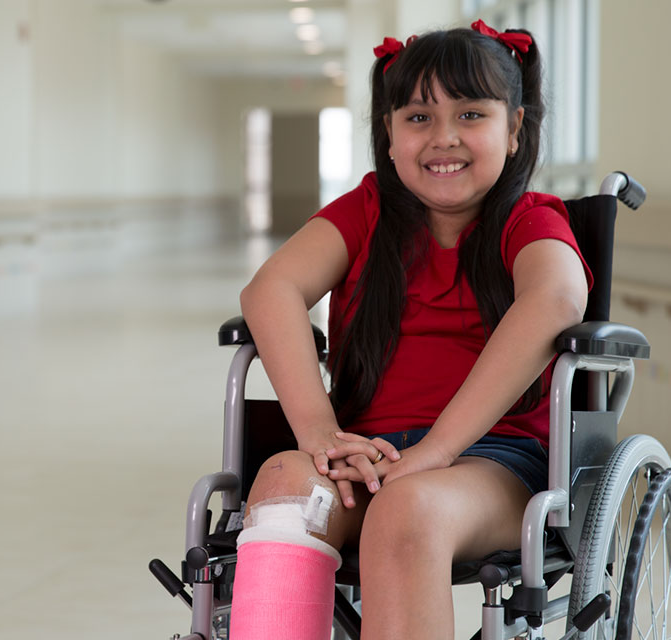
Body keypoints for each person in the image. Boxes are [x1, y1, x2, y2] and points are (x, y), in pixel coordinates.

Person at [231, 21, 592, 640]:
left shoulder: (528, 222)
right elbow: (271, 289)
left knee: (408, 509)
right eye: (419, 117)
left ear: (513, 130)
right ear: (389, 136)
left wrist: (437, 451)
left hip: (495, 463)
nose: (443, 138)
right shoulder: (367, 212)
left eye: (471, 114)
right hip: (370, 453)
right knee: (287, 486)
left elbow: (556, 296)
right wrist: (321, 434)